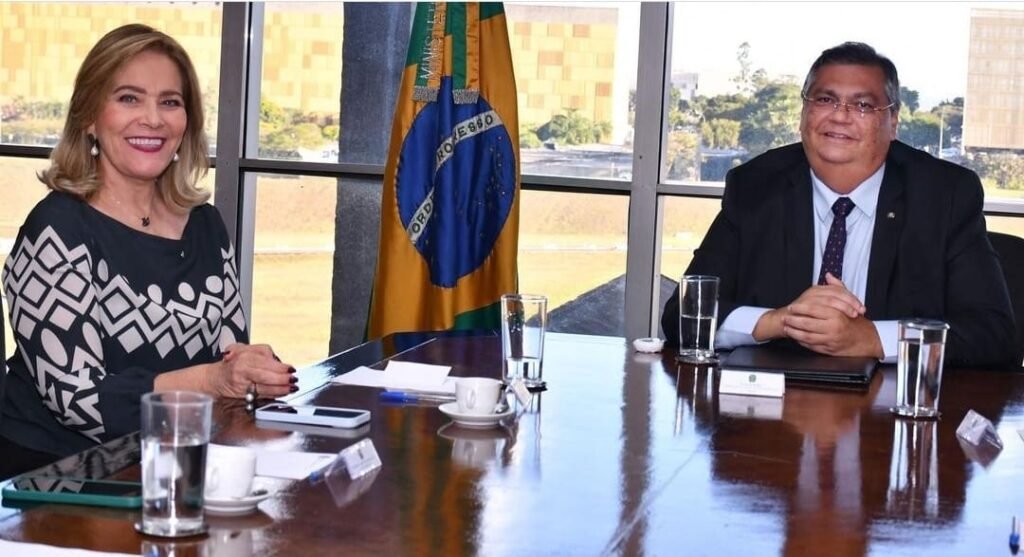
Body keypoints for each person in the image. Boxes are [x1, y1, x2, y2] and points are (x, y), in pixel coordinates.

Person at [0, 24, 295, 479]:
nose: (153, 119)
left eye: (170, 102)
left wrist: (253, 370)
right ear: (89, 117)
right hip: (55, 477)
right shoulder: (57, 229)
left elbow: (228, 355)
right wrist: (213, 381)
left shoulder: (206, 226)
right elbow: (79, 401)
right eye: (129, 98)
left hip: (174, 459)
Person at [662, 42, 1016, 368]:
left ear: (893, 122)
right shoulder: (755, 187)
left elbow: (993, 334)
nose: (840, 116)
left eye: (863, 105)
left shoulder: (943, 196)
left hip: (893, 409)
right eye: (825, 100)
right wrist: (781, 321)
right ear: (804, 112)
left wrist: (871, 338)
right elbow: (684, 313)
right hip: (774, 404)